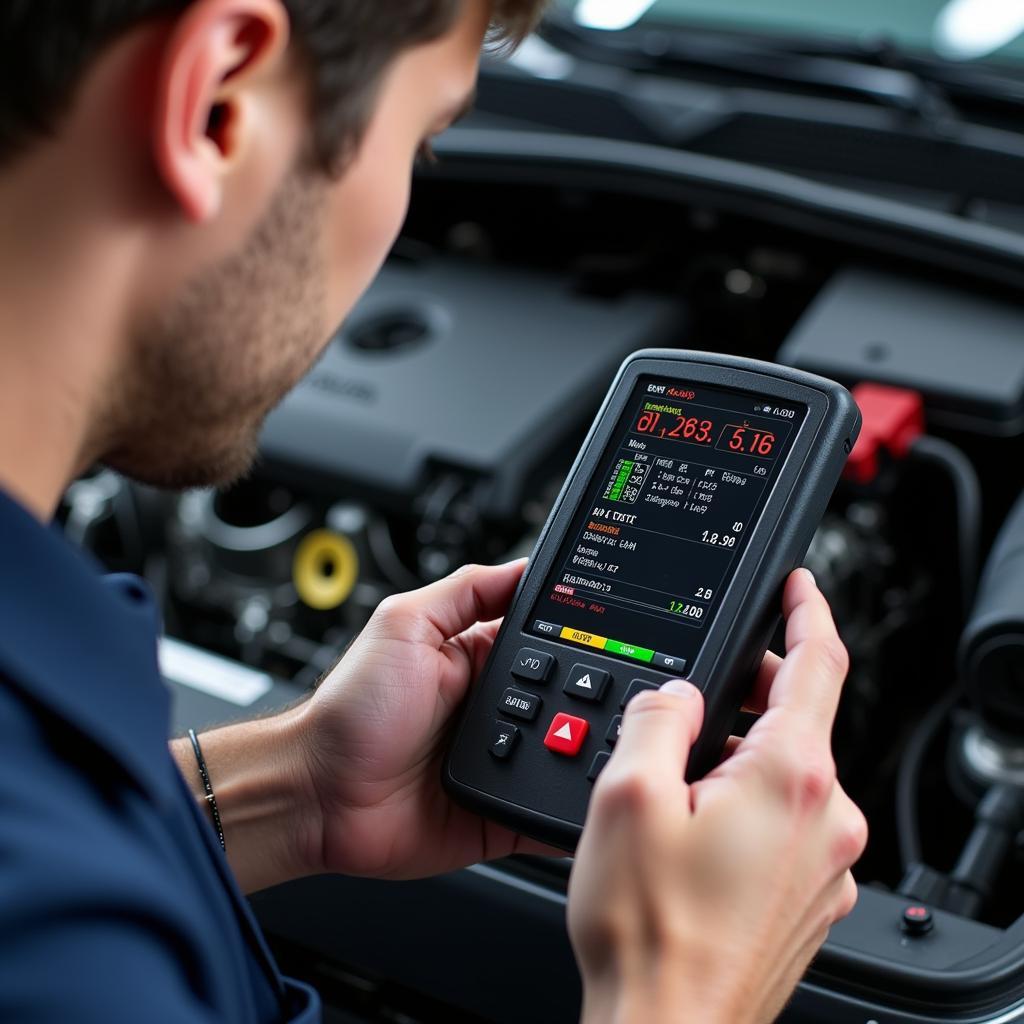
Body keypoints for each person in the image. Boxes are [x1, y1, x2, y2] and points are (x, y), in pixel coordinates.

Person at [0, 1, 868, 1021]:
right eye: (420, 139)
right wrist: (688, 991)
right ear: (216, 105)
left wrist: (299, 790)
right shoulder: (67, 952)